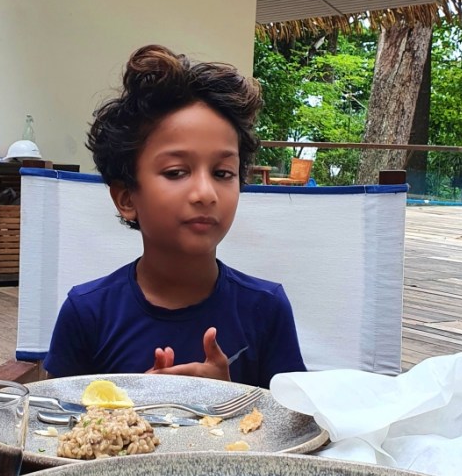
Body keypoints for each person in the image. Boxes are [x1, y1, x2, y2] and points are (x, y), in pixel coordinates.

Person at [43, 44, 306, 388]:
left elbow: (295, 428)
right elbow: (54, 426)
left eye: (223, 173)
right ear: (126, 198)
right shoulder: (88, 313)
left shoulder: (266, 310)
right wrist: (135, 408)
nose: (205, 193)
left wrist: (226, 398)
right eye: (177, 172)